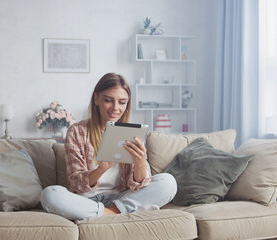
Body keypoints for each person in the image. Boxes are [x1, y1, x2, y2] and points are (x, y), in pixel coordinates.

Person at [40, 73, 177, 221]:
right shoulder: (77, 131)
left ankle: (109, 213)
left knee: (168, 182)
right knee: (50, 194)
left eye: (122, 102)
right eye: (108, 100)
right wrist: (100, 170)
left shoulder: (133, 133)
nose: (115, 108)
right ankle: (117, 214)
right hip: (86, 200)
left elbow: (139, 185)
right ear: (96, 99)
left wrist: (140, 162)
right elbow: (75, 183)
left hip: (121, 198)